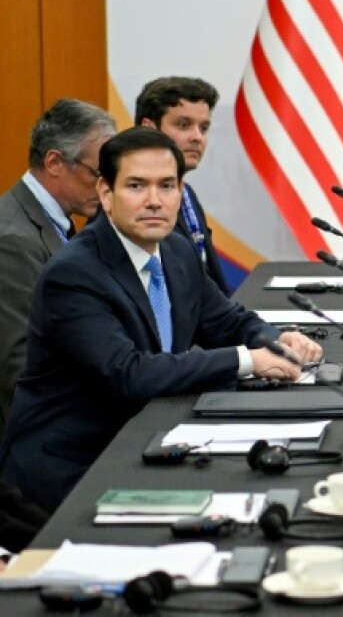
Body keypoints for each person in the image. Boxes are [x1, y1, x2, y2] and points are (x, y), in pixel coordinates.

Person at [0, 128, 321, 511]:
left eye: (166, 186)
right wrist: (247, 360)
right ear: (106, 193)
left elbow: (228, 321)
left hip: (147, 441)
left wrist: (276, 340)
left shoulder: (175, 250)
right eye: (136, 186)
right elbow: (129, 373)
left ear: (180, 192)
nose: (154, 201)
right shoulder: (74, 274)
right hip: (73, 470)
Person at [0, 99, 116, 437]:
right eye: (98, 174)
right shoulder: (12, 239)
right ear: (55, 162)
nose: (105, 188)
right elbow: (21, 370)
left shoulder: (56, 224)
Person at [134, 77, 230, 294]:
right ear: (149, 129)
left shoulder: (187, 193)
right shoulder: (129, 200)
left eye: (204, 128)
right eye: (183, 125)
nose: (197, 137)